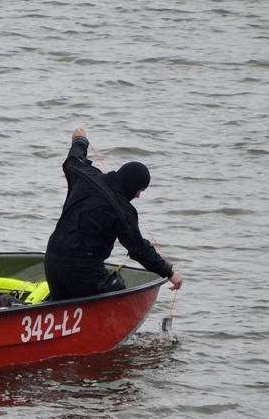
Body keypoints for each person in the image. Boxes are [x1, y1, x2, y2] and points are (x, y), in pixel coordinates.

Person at [43, 128, 184, 300]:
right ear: (133, 185)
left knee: (62, 301)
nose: (138, 195)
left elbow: (73, 159)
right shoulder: (122, 210)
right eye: (140, 190)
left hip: (51, 259)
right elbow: (139, 249)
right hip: (82, 271)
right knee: (119, 291)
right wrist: (169, 272)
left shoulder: (85, 174)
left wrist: (80, 139)